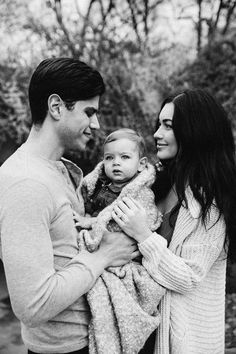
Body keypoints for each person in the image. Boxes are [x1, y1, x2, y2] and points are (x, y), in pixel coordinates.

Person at [0, 58, 139, 354]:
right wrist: (104, 256)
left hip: (95, 338)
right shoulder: (27, 184)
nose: (96, 124)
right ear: (57, 107)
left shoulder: (63, 170)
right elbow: (32, 305)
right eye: (89, 112)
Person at [112, 89, 236, 354]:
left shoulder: (210, 204)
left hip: (182, 343)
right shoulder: (158, 185)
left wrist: (144, 235)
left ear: (195, 131)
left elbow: (189, 277)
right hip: (142, 333)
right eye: (159, 124)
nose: (157, 134)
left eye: (168, 126)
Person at [73, 128, 164, 353]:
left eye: (125, 157)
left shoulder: (139, 192)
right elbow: (92, 208)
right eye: (109, 157)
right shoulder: (98, 187)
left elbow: (145, 221)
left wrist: (92, 223)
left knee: (119, 309)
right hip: (102, 258)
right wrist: (91, 218)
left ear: (141, 164)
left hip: (126, 261)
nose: (116, 163)